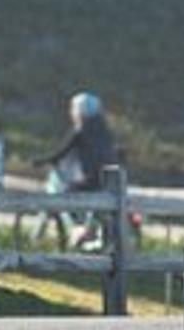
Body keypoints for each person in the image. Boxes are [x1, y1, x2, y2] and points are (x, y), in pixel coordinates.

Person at [32, 92, 120, 248]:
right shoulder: (104, 131)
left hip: (91, 181)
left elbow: (61, 152)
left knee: (65, 193)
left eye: (73, 109)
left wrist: (40, 161)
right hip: (107, 181)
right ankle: (84, 229)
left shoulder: (81, 130)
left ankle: (77, 229)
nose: (72, 112)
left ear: (81, 111)